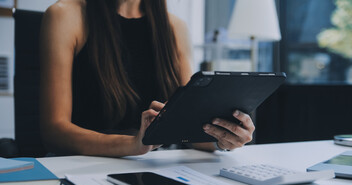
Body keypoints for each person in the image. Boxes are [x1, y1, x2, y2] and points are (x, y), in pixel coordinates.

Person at [39, 0, 255, 157]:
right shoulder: (65, 15)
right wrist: (132, 145)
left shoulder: (174, 27)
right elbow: (54, 131)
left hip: (155, 166)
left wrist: (222, 139)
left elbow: (186, 126)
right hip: (82, 166)